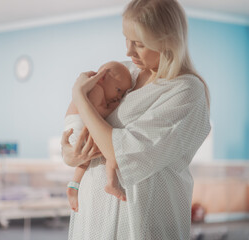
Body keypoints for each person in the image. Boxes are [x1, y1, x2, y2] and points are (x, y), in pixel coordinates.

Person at [61, 0, 211, 239]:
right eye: (126, 39)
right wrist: (70, 153)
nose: (128, 52)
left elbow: (123, 153)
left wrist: (79, 96)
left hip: (141, 223)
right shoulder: (125, 74)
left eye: (139, 44)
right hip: (92, 217)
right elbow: (85, 125)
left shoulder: (185, 91)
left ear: (167, 42)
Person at [64, 61, 132, 212]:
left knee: (85, 160)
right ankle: (111, 183)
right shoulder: (96, 90)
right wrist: (112, 109)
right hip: (78, 126)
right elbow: (95, 113)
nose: (119, 97)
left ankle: (74, 185)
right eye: (118, 90)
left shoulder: (94, 89)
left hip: (74, 128)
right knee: (110, 150)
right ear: (102, 78)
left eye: (122, 94)